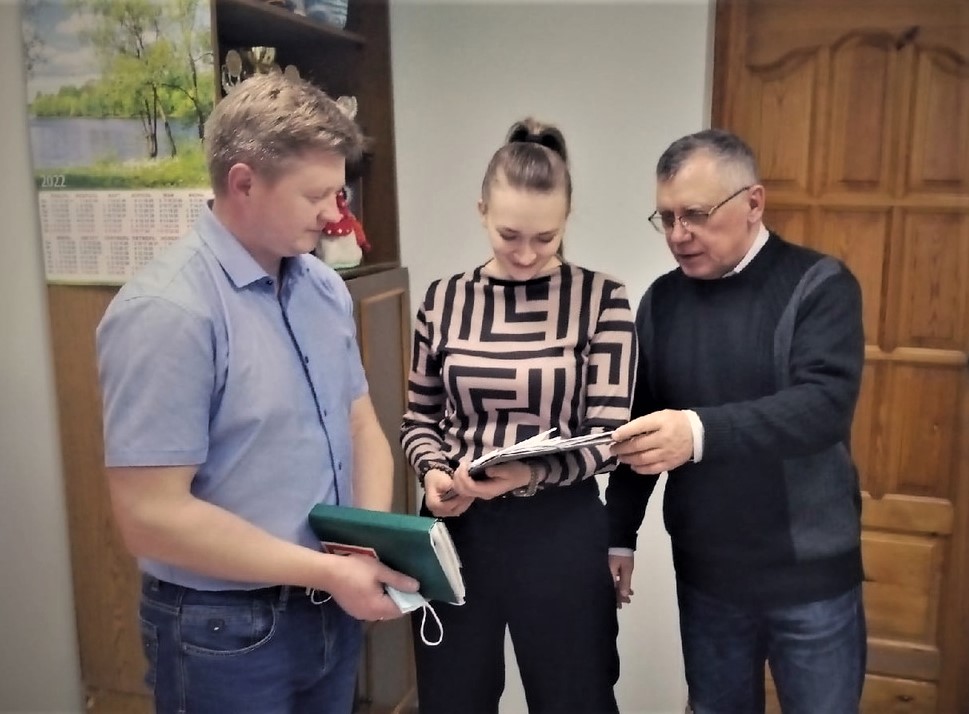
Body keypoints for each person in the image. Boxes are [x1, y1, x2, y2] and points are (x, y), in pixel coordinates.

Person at [96, 73, 418, 714]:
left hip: (327, 605)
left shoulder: (322, 288)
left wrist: (363, 547)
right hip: (222, 633)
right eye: (315, 196)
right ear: (243, 183)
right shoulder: (169, 311)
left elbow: (360, 424)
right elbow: (149, 516)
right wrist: (331, 571)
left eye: (338, 193)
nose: (334, 215)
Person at [606, 129, 867, 714]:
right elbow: (641, 424)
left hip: (810, 577)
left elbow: (822, 407)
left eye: (695, 215)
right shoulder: (661, 302)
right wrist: (619, 533)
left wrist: (697, 433)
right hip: (708, 578)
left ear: (753, 202)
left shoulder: (819, 285)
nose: (678, 234)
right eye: (666, 217)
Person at [400, 118, 637, 714]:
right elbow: (418, 420)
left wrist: (529, 474)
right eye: (509, 235)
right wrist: (433, 473)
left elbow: (607, 439)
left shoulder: (602, 300)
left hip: (561, 532)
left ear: (567, 218)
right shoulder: (442, 300)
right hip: (458, 533)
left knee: (575, 699)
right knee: (452, 699)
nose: (527, 254)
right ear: (481, 211)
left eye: (545, 237)